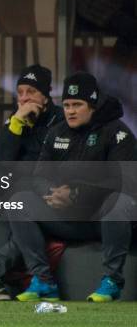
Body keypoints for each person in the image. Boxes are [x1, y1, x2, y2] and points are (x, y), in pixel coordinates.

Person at [8, 72, 136, 302]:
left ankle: (112, 281)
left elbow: (126, 182)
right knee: (20, 200)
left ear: (93, 106)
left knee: (120, 202)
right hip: (67, 216)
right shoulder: (56, 132)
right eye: (66, 105)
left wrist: (77, 193)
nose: (70, 111)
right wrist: (53, 194)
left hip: (101, 218)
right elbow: (39, 176)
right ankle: (43, 281)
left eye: (78, 104)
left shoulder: (117, 132)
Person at [0, 64, 64, 300]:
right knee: (6, 207)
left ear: (45, 95)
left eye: (31, 92)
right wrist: (16, 122)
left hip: (51, 199)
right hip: (20, 197)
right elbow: (3, 161)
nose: (25, 98)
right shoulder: (16, 121)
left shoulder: (60, 122)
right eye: (20, 93)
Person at [75, 0, 137, 134]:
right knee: (131, 33)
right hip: (100, 11)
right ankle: (114, 93)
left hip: (122, 9)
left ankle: (118, 93)